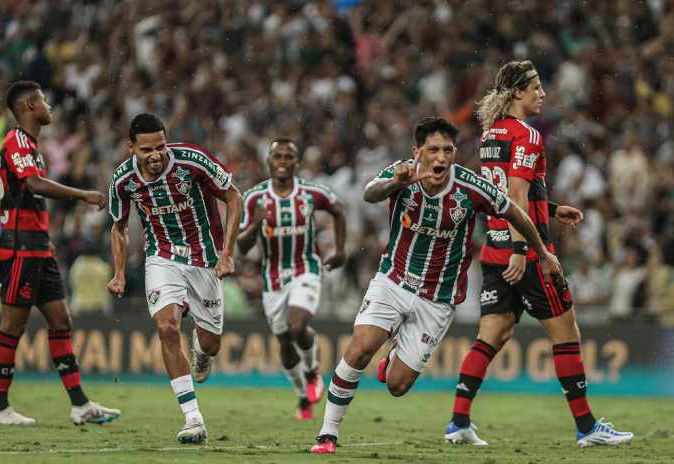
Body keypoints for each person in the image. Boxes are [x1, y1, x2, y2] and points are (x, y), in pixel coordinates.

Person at [310, 117, 563, 454]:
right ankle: (327, 434)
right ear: (418, 152)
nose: (441, 157)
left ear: (454, 153)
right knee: (359, 348)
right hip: (393, 281)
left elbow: (514, 211)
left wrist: (542, 252)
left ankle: (394, 353)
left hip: (438, 299)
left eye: (447, 150)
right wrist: (395, 183)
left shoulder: (470, 187)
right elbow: (370, 193)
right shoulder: (402, 172)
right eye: (433, 150)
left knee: (398, 385)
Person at [445, 60, 633, 447]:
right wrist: (522, 249)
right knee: (566, 333)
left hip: (494, 250)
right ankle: (587, 428)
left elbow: (501, 196)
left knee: (492, 334)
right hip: (526, 253)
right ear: (517, 92)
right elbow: (514, 197)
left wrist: (549, 208)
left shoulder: (489, 134)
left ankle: (458, 422)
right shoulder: (526, 136)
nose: (542, 94)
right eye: (535, 88)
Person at [0, 80, 120, 426]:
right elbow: (32, 185)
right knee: (13, 326)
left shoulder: (32, 145)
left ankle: (80, 404)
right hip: (19, 249)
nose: (50, 107)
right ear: (30, 105)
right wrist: (81, 194)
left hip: (37, 248)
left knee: (61, 320)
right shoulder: (16, 141)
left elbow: (32, 194)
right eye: (45, 101)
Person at [107, 113, 242, 444]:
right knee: (167, 327)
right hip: (162, 257)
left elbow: (233, 197)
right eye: (147, 150)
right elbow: (120, 227)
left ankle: (200, 349)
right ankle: (193, 418)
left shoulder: (193, 160)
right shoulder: (122, 180)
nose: (156, 156)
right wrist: (120, 272)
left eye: (161, 147)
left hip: (205, 258)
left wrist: (227, 253)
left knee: (211, 343)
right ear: (131, 148)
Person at [237, 139, 346, 420]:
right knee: (284, 341)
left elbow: (337, 210)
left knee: (298, 326)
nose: (282, 160)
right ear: (269, 161)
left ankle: (312, 371)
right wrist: (255, 224)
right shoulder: (254, 198)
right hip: (272, 277)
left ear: (296, 162)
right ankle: (302, 397)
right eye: (277, 156)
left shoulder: (311, 193)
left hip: (306, 268)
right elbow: (243, 246)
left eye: (288, 156)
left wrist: (341, 250)